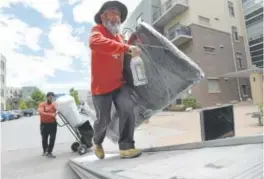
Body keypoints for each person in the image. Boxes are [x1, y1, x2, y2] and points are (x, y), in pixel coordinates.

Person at [89, 1, 142, 159]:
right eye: (112, 12)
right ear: (102, 16)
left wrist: (132, 48)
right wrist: (126, 48)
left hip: (119, 84)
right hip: (101, 88)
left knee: (127, 108)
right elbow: (95, 43)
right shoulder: (97, 31)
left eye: (118, 14)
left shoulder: (120, 37)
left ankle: (126, 147)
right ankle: (97, 141)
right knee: (103, 120)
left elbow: (127, 53)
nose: (116, 17)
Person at [38, 92, 57, 158]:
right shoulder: (42, 104)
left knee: (52, 138)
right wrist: (51, 115)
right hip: (44, 124)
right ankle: (45, 150)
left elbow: (58, 110)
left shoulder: (54, 104)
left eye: (52, 97)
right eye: (50, 97)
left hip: (53, 124)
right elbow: (41, 112)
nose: (51, 99)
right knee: (44, 139)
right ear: (47, 97)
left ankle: (49, 152)